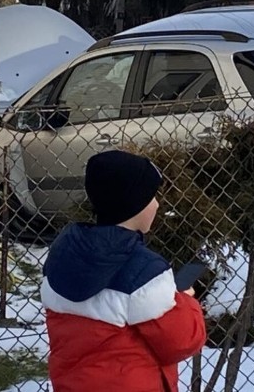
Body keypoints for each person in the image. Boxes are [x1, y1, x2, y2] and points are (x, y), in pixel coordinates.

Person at [41, 150, 207, 392]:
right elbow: (181, 341)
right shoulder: (144, 272)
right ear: (135, 204)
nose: (158, 204)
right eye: (152, 197)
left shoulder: (64, 258)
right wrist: (185, 301)